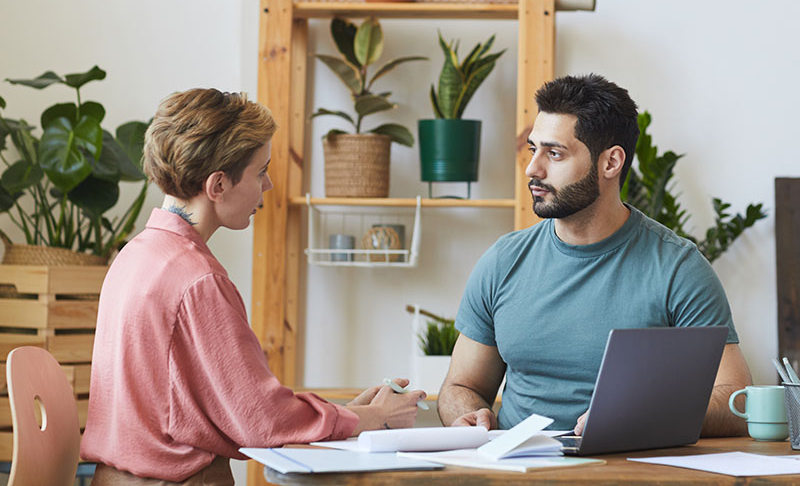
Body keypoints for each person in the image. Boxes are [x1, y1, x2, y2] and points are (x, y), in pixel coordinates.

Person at [81, 88, 426, 485]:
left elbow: (209, 409)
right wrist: (376, 419)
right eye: (260, 171)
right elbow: (262, 422)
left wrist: (348, 415)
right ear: (218, 186)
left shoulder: (133, 256)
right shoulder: (198, 280)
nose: (269, 185)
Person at [437, 74, 752, 437]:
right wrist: (468, 415)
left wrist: (641, 417)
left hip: (626, 470)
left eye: (554, 153)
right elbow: (462, 387)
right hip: (517, 468)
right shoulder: (503, 261)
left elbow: (736, 401)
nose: (532, 169)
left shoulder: (678, 268)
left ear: (611, 163)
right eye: (533, 148)